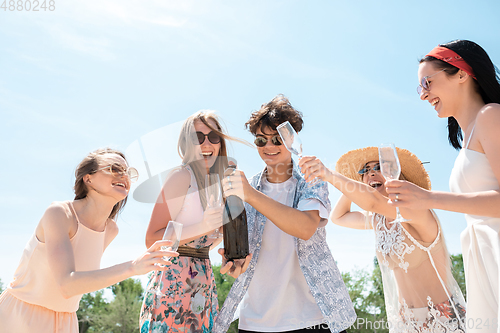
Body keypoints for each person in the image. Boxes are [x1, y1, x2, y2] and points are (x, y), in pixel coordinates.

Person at [383, 40, 500, 332]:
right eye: (419, 88)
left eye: (427, 82)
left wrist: (429, 198)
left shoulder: (491, 116)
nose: (423, 95)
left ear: (461, 73)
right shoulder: (468, 137)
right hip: (483, 258)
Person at [214, 95, 356, 333]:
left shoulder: (312, 178)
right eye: (261, 140)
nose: (269, 147)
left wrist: (250, 195)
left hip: (311, 318)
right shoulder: (246, 189)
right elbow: (245, 252)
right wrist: (236, 263)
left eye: (277, 139)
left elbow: (305, 228)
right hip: (255, 322)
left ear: (291, 138)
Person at [0, 148, 177, 333]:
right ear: (88, 178)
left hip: (66, 321)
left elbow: (83, 284)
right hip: (20, 317)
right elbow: (67, 285)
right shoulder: (59, 213)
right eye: (114, 168)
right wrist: (132, 267)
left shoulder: (110, 230)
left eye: (127, 171)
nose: (123, 175)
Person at [300, 147, 467, 332]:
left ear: (396, 174)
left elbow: (372, 201)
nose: (371, 172)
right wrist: (355, 183)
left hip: (444, 320)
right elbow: (338, 217)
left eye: (379, 166)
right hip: (406, 323)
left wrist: (329, 174)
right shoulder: (377, 220)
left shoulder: (417, 211)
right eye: (365, 170)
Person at [140, 110, 251, 333]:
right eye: (198, 138)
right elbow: (151, 238)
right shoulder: (181, 177)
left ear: (220, 142)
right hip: (172, 281)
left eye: (213, 137)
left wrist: (233, 261)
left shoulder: (222, 185)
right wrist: (203, 226)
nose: (206, 143)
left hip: (204, 280)